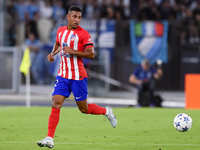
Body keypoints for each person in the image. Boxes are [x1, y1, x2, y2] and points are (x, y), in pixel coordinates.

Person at [37, 6, 117, 149]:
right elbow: (57, 44)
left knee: (83, 109)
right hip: (63, 75)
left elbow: (91, 54)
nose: (77, 20)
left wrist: (73, 51)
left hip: (78, 76)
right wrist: (52, 54)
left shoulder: (83, 34)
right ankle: (49, 138)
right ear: (68, 17)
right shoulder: (60, 31)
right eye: (74, 17)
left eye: (79, 17)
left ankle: (107, 111)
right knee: (56, 103)